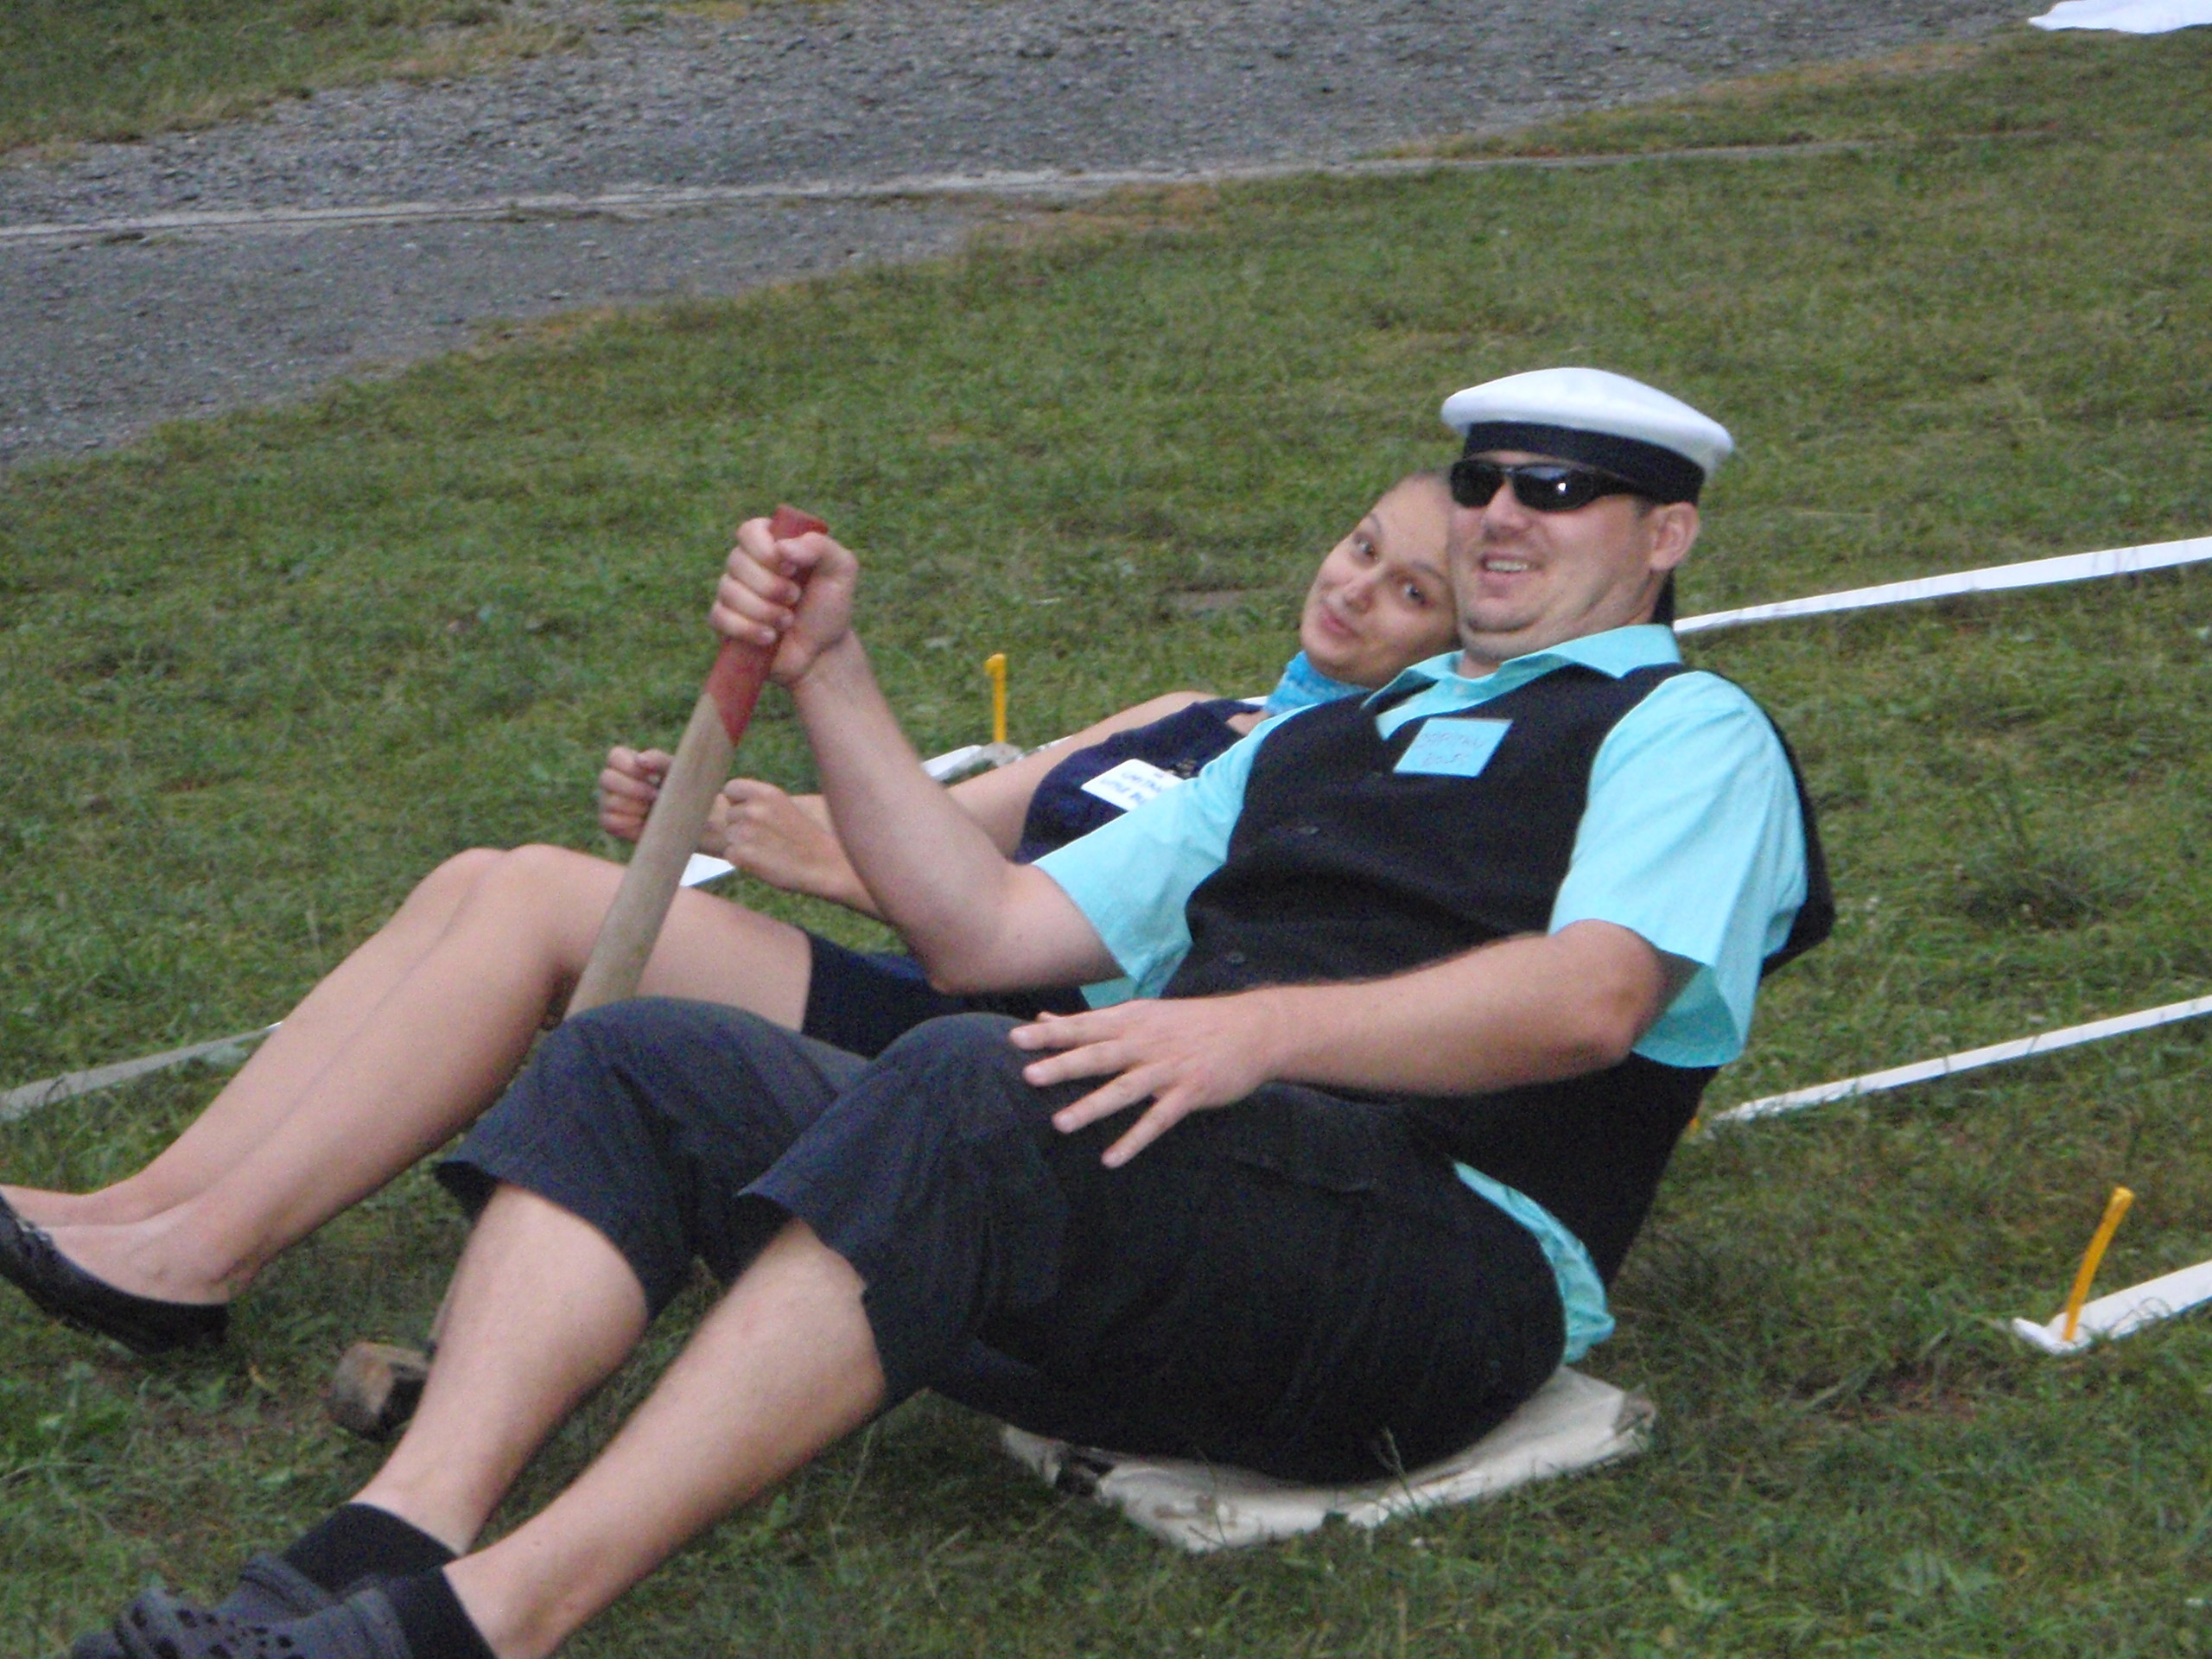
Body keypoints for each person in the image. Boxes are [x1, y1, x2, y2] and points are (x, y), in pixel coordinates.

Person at [75, 366, 1832, 1659]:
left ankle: (483, 1625)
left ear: (1663, 534)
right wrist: (832, 668)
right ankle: (388, 1539)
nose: (1505, 513)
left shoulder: (1683, 728)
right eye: (1484, 481)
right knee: (638, 1054)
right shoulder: (1312, 735)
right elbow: (986, 926)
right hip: (1190, 1210)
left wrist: (1253, 1032)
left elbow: (1594, 997)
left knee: (975, 1080)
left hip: (1441, 1274)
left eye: (1561, 491)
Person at [0, 474, 1458, 1357]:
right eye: (1359, 545)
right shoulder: (1196, 712)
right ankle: (146, 1207)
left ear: (1459, 645)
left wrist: (806, 859)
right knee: (484, 875)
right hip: (920, 986)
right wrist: (720, 812)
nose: (1355, 589)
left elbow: (1016, 927)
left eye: (1409, 593)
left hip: (996, 1068)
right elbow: (929, 833)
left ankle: (204, 1257)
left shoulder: (1347, 782)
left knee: (540, 904)